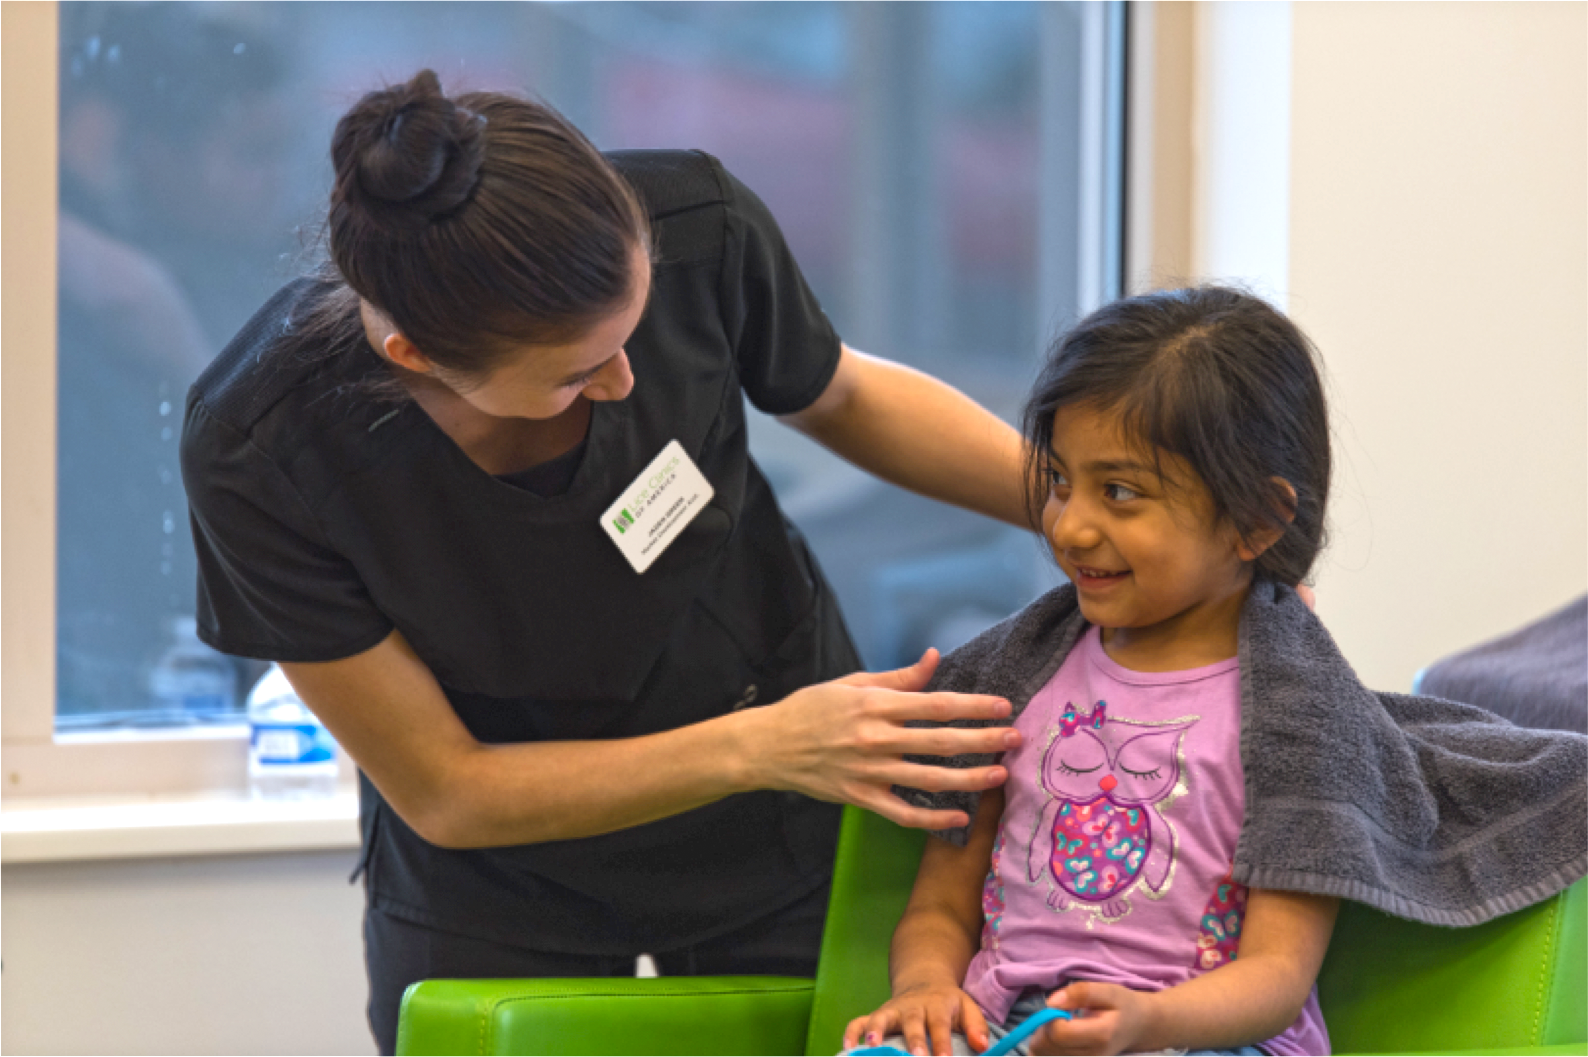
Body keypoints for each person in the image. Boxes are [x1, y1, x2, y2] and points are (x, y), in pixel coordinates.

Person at [181, 70, 1034, 1054]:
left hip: (776, 797)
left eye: (633, 335)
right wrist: (761, 742)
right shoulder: (264, 443)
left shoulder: (697, 222)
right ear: (417, 356)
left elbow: (835, 392)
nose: (627, 380)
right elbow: (448, 789)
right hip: (504, 856)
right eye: (579, 372)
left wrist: (1074, 513)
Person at [843, 286, 1587, 1056]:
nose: (1070, 524)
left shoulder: (1299, 725)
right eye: (1061, 481)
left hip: (1203, 1037)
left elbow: (1275, 977)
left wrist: (1148, 1024)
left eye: (1120, 492)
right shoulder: (1019, 681)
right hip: (1010, 1027)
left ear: (1258, 521)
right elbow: (940, 906)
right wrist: (924, 988)